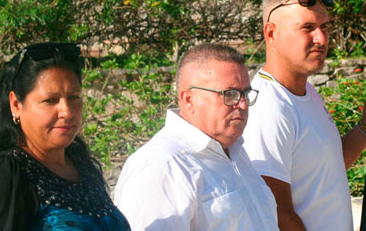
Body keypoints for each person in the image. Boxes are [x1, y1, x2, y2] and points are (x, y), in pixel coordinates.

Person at [242, 0, 366, 231]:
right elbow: (276, 213)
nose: (322, 39)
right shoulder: (268, 108)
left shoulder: (305, 92)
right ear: (271, 33)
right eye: (307, 28)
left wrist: (365, 127)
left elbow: (324, 170)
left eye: (324, 27)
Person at [0, 42, 130, 230]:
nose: (66, 112)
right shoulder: (5, 173)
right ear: (16, 105)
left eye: (74, 97)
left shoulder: (82, 165)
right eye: (50, 100)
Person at [114, 43, 278, 230]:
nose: (242, 105)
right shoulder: (162, 166)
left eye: (245, 94)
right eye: (230, 94)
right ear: (189, 99)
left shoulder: (235, 153)